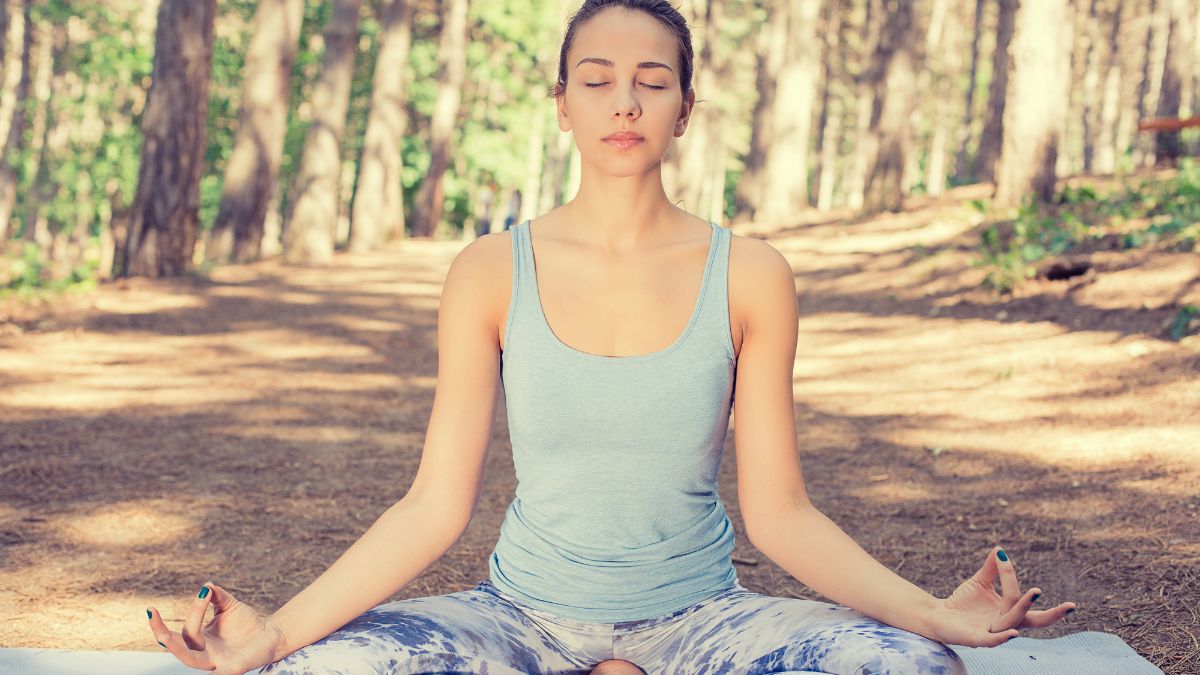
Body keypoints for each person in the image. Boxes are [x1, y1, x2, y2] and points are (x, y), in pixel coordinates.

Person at [145, 1, 1077, 673]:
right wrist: (274, 634)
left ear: (684, 110)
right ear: (563, 105)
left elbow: (782, 514)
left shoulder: (751, 275)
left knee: (912, 672)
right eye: (596, 81)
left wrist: (930, 616)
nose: (623, 103)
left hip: (701, 621)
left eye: (651, 82)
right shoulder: (487, 271)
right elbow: (433, 506)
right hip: (517, 620)